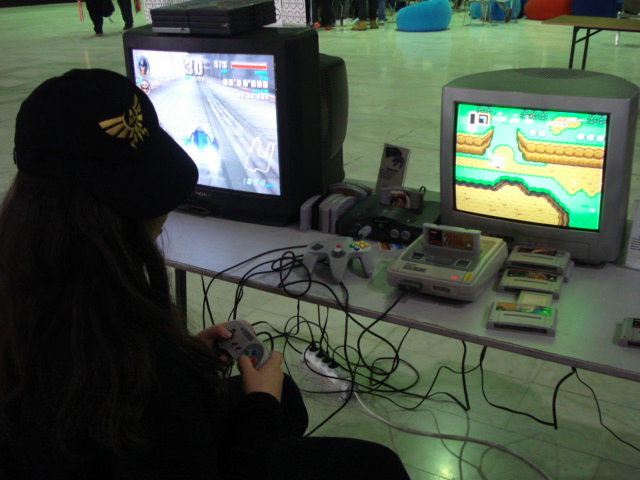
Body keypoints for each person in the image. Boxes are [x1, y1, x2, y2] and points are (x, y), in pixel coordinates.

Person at [0, 69, 411, 480]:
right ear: (114, 220)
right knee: (376, 465)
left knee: (284, 394)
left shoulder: (43, 294)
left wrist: (184, 357)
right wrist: (260, 406)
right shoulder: (143, 362)